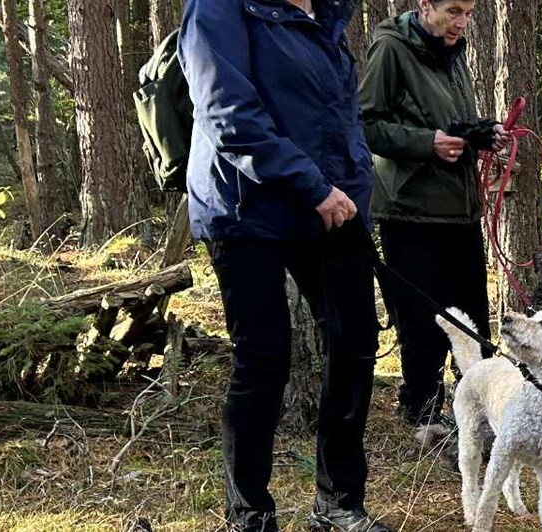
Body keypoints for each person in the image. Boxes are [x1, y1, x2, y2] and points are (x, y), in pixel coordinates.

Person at [180, 0, 391, 529]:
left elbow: (342, 123)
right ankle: (250, 515)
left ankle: (339, 504)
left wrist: (355, 198)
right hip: (244, 208)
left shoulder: (328, 16)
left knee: (355, 343)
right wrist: (311, 186)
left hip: (326, 205)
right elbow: (227, 112)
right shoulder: (216, 9)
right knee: (264, 358)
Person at [358, 0, 509, 430]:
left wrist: (482, 133)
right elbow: (366, 123)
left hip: (460, 209)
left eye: (469, 13)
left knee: (471, 316)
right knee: (421, 321)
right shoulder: (391, 48)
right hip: (410, 209)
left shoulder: (453, 51)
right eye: (454, 11)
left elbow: (450, 122)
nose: (462, 22)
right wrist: (427, 144)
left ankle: (479, 410)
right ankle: (421, 409)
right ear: (425, 5)